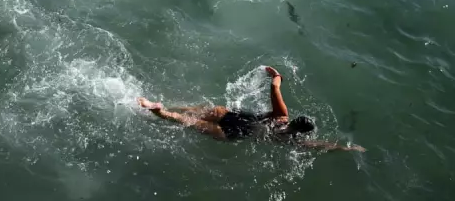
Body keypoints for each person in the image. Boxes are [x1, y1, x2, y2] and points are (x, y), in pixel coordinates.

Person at [137, 66, 365, 152]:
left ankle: (161, 105)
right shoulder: (292, 141)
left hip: (231, 115)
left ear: (295, 118)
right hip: (234, 133)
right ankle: (160, 112)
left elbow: (275, 89)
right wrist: (346, 148)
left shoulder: (281, 115)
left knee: (193, 110)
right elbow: (319, 145)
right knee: (188, 122)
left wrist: (276, 76)